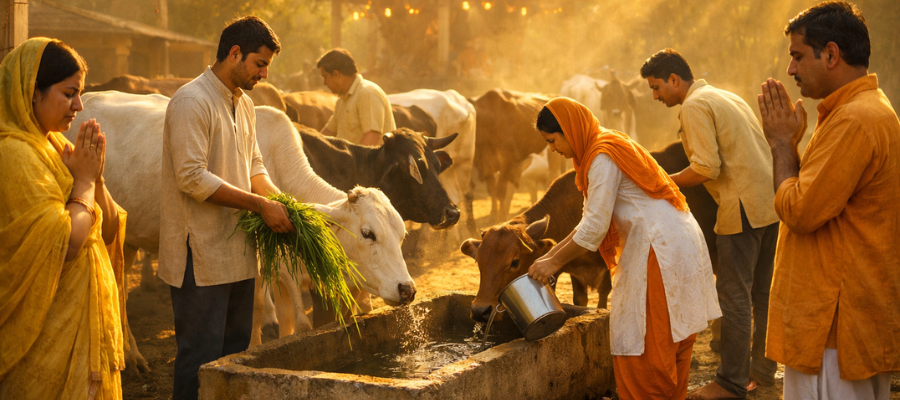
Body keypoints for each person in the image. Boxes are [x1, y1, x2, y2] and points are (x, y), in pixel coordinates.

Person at [528, 97, 721, 400]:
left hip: (659, 249)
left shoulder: (602, 156)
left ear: (570, 130)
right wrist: (549, 256)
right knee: (670, 338)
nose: (552, 149)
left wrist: (553, 264)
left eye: (553, 141)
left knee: (647, 346)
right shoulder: (606, 144)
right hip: (675, 242)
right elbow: (588, 220)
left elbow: (594, 229)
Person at [758, 2, 900, 399]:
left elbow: (800, 211)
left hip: (833, 333)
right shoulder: (863, 110)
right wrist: (792, 147)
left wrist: (781, 144)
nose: (791, 69)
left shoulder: (854, 119)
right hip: (848, 325)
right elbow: (821, 199)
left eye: (798, 56)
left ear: (832, 54)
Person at [158, 16, 295, 400]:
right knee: (199, 358)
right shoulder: (192, 101)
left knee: (233, 355)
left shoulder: (245, 104)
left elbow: (254, 166)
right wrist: (259, 205)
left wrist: (283, 204)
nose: (264, 74)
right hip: (199, 256)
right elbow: (191, 178)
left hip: (237, 252)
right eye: (259, 64)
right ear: (235, 53)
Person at [639, 49, 781, 399]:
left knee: (733, 298)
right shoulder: (726, 96)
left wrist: (662, 182)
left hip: (741, 208)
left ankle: (730, 383)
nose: (655, 96)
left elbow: (705, 167)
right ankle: (763, 371)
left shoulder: (693, 106)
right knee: (762, 294)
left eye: (656, 87)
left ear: (674, 80)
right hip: (771, 205)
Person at [0, 38, 128, 399]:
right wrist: (84, 182)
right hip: (44, 335)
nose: (79, 106)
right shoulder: (13, 153)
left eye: (80, 94)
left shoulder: (56, 147)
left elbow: (109, 229)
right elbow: (68, 243)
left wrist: (96, 179)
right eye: (69, 93)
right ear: (32, 93)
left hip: (79, 325)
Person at [317, 48, 395, 145]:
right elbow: (328, 132)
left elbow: (372, 137)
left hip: (367, 156)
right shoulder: (342, 100)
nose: (324, 82)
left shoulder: (367, 93)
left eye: (325, 76)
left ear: (336, 74)